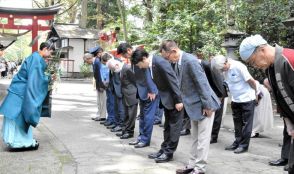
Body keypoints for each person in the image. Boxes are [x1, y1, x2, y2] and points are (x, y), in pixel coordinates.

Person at [159, 40, 220, 174]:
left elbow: (202, 84)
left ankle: (200, 168)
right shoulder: (179, 62)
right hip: (193, 106)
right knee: (195, 138)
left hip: (205, 106)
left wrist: (207, 105)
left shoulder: (190, 61)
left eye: (167, 57)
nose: (167, 60)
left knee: (203, 140)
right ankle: (192, 165)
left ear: (174, 51)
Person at [239, 34, 294, 174]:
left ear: (262, 50)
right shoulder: (271, 68)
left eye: (253, 61)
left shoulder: (290, 59)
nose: (254, 66)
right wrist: (288, 123)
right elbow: (281, 99)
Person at [131, 48, 184, 163]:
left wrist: (178, 100)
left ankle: (168, 153)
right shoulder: (151, 65)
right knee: (167, 127)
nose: (139, 67)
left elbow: (173, 81)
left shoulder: (159, 62)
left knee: (174, 128)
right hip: (166, 100)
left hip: (174, 100)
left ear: (144, 59)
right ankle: (163, 150)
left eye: (139, 64)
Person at [0, 42, 53, 151]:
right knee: (19, 116)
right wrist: (48, 79)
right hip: (22, 92)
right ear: (46, 49)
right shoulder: (37, 59)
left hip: (19, 89)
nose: (51, 54)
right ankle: (20, 143)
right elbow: (35, 80)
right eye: (51, 52)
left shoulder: (34, 56)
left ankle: (16, 141)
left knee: (14, 116)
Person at [211, 55, 258, 154]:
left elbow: (251, 81)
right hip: (235, 99)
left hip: (247, 99)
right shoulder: (224, 70)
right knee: (237, 123)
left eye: (222, 68)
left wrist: (256, 93)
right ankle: (237, 142)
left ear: (226, 62)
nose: (222, 71)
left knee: (246, 124)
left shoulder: (239, 66)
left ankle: (244, 145)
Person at [117, 42, 159, 148]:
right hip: (141, 92)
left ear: (129, 51)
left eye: (124, 54)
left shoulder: (140, 56)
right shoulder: (134, 58)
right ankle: (141, 137)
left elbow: (147, 74)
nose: (124, 57)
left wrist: (151, 90)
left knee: (148, 117)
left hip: (149, 93)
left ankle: (145, 139)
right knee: (142, 117)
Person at [106, 58, 138, 139]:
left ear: (117, 65)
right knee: (126, 114)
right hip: (125, 94)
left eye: (113, 69)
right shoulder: (121, 69)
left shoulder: (127, 68)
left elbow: (135, 81)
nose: (114, 71)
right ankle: (125, 130)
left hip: (131, 95)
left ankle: (130, 132)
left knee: (131, 115)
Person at [199, 59, 228, 144]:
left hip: (219, 92)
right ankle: (208, 134)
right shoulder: (201, 65)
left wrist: (220, 97)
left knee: (217, 115)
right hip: (210, 92)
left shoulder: (209, 66)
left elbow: (219, 82)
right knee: (210, 115)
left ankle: (213, 136)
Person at [86, 46, 107, 122]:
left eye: (86, 61)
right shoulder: (95, 62)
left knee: (103, 101)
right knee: (99, 101)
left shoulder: (98, 62)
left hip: (102, 85)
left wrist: (101, 86)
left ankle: (103, 116)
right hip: (99, 84)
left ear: (89, 58)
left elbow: (101, 75)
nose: (86, 62)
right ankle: (100, 115)